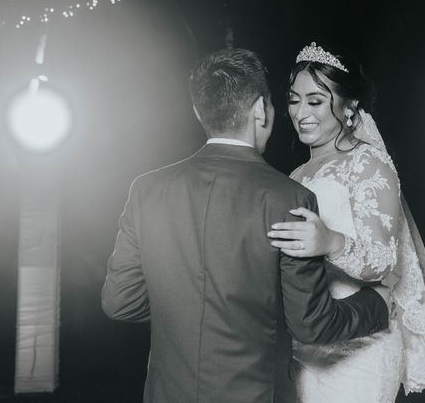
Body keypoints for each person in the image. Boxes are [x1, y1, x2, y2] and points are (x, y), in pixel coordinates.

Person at [101, 48, 391, 403]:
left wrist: (184, 307)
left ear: (199, 111)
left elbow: (119, 302)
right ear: (260, 109)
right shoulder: (287, 196)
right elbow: (311, 324)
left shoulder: (146, 190)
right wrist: (376, 303)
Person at [269, 42, 425, 402]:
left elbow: (385, 261)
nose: (300, 112)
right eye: (294, 99)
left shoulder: (368, 164)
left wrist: (330, 242)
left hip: (362, 347)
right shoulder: (295, 175)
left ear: (350, 106)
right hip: (308, 347)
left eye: (315, 100)